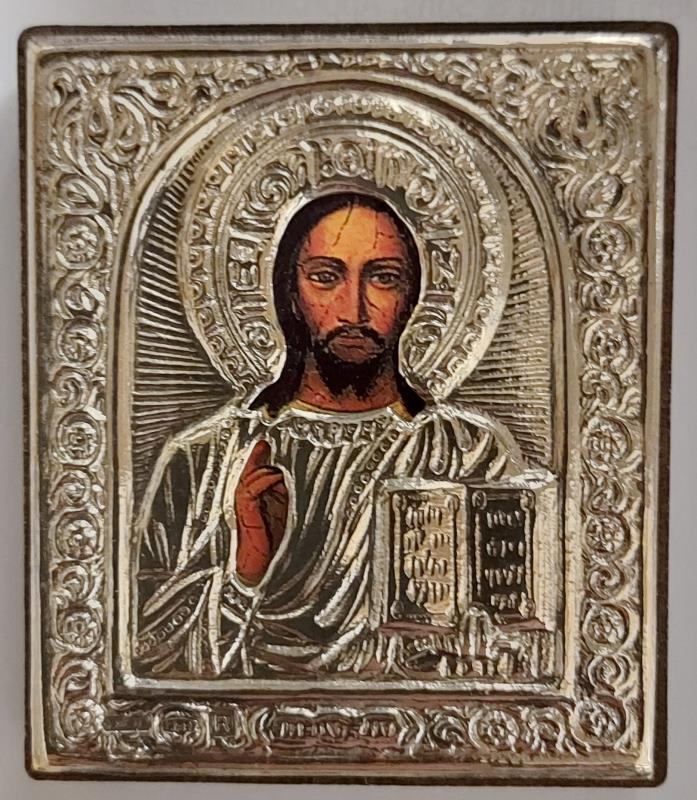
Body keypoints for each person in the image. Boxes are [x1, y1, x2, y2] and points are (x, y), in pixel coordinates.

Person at [133, 193, 524, 678]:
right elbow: (146, 658)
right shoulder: (204, 460)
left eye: (383, 278)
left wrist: (482, 641)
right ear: (290, 293)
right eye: (325, 276)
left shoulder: (469, 455)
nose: (354, 309)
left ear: (412, 298)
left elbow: (526, 646)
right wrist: (246, 571)